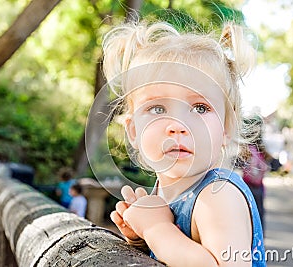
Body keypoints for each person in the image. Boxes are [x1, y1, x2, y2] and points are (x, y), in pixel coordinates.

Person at [103, 19, 266, 266]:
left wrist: (156, 228)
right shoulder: (165, 193)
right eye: (157, 108)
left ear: (226, 129)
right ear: (134, 131)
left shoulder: (218, 195)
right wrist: (143, 238)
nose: (178, 125)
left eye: (200, 108)